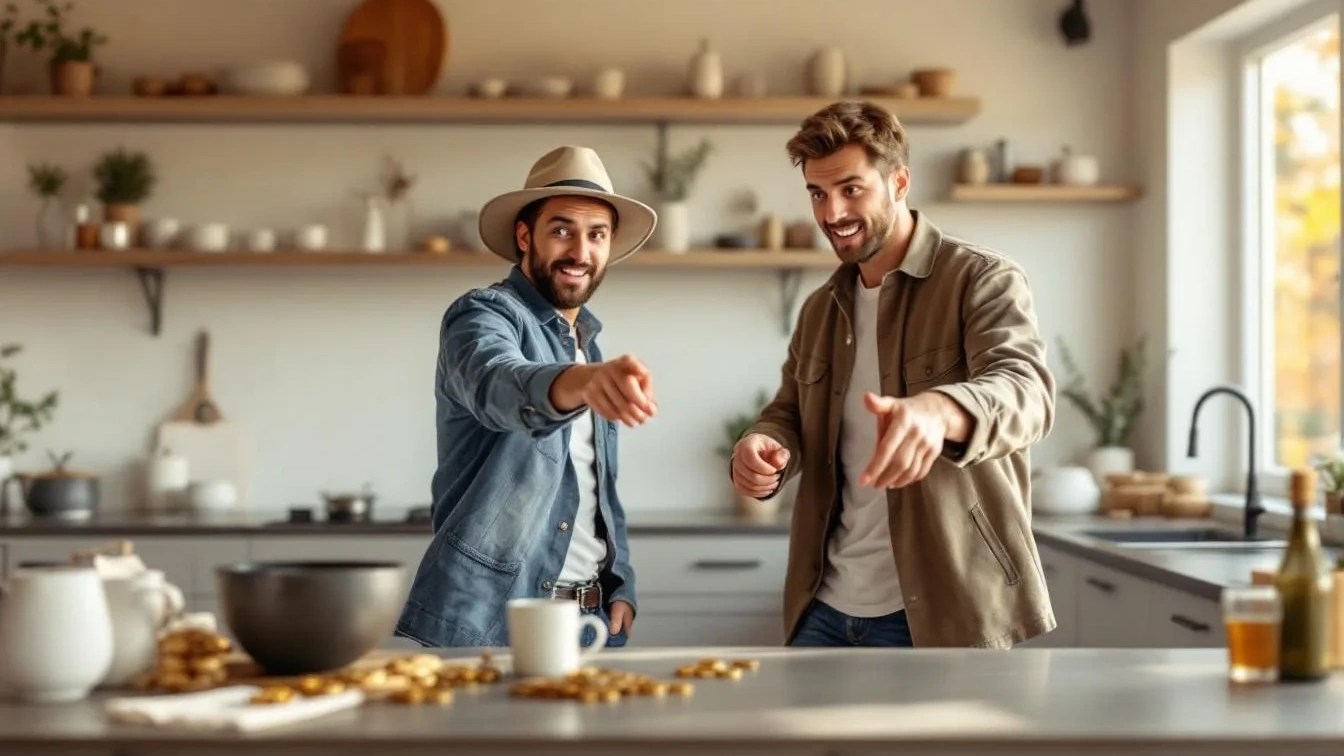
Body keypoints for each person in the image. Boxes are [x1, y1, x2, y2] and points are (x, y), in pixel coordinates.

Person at [730, 101, 1057, 649]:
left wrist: (940, 410)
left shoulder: (982, 279)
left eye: (851, 189)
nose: (832, 212)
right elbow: (789, 410)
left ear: (899, 181)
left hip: (947, 610)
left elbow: (1027, 391)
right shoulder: (821, 307)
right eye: (817, 193)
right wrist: (763, 442)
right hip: (823, 607)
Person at [395, 145, 659, 649]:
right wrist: (580, 382)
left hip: (593, 621)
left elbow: (596, 484)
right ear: (524, 236)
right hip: (496, 621)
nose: (580, 251)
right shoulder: (481, 316)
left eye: (596, 235)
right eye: (562, 230)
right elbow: (498, 382)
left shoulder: (590, 344)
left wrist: (620, 577)